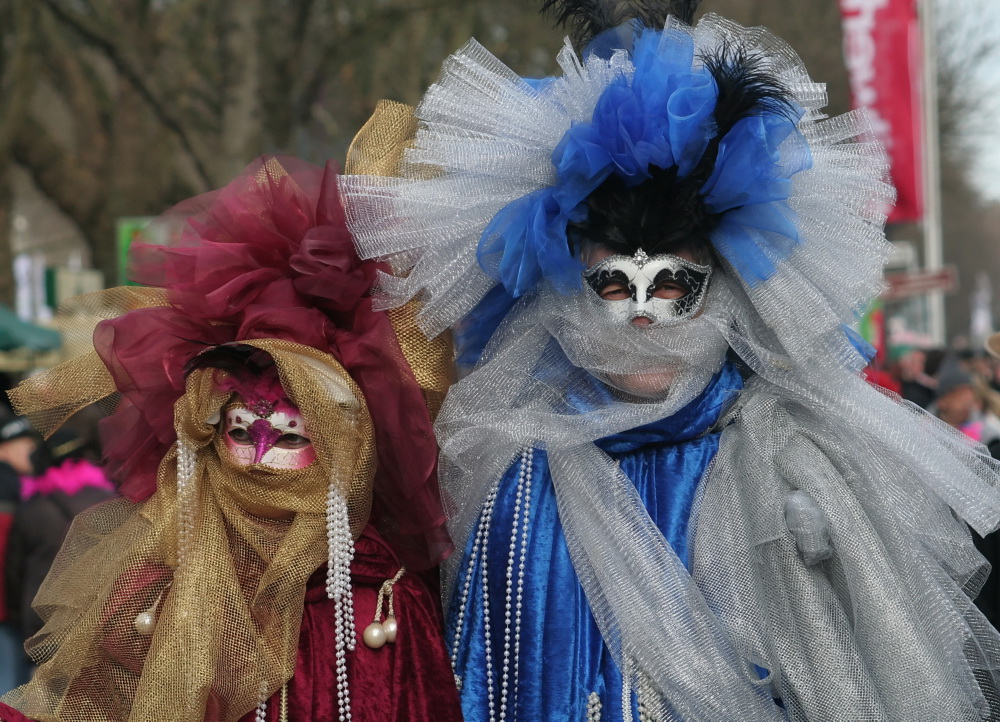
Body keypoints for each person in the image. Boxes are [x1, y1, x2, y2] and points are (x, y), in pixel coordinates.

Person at [340, 1, 1000, 719]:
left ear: (718, 287)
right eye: (615, 284)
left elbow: (873, 668)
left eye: (675, 285)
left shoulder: (788, 453)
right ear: (572, 288)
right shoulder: (515, 464)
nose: (644, 313)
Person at [0, 156, 461, 722]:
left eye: (289, 437)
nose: (258, 458)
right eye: (241, 430)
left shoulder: (380, 597)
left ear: (345, 450)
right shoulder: (155, 578)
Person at [4, 426, 117, 647]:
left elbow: (14, 573)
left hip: (45, 623)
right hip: (99, 618)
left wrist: (19, 619)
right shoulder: (109, 500)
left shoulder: (32, 509)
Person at [0, 417, 38, 696]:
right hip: (7, 608)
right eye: (23, 445)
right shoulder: (9, 489)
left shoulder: (22, 486)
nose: (31, 450)